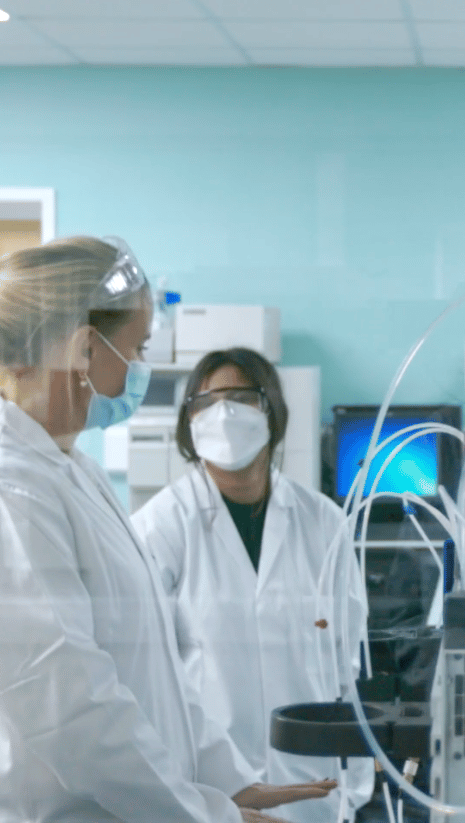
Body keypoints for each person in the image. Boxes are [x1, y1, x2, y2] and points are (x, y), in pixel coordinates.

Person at [0, 236, 331, 823]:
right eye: (136, 347)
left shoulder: (69, 468)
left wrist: (225, 782)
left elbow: (150, 669)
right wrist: (204, 813)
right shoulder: (0, 495)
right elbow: (70, 712)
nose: (141, 368)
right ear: (85, 347)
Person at [133, 348, 373, 823]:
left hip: (315, 791)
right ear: (189, 423)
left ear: (272, 412)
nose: (224, 413)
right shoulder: (160, 526)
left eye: (241, 397)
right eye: (206, 401)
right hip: (212, 793)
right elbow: (147, 678)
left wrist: (352, 791)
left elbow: (351, 664)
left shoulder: (323, 521)